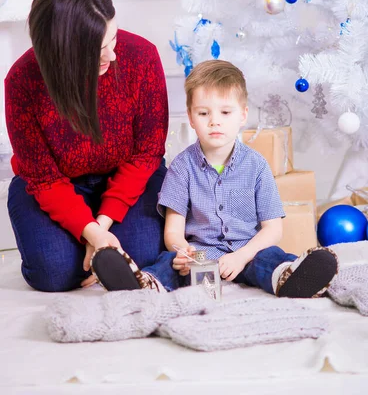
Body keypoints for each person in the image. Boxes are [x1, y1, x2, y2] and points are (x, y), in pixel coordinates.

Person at [91, 59, 338, 298]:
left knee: (270, 255)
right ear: (190, 117)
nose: (214, 121)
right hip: (201, 257)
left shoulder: (257, 165)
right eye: (203, 113)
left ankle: (288, 277)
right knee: (169, 262)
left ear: (243, 115)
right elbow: (173, 233)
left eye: (225, 112)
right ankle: (147, 284)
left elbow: (272, 229)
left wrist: (241, 256)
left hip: (247, 252)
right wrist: (184, 252)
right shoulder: (181, 167)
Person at [5, 0, 169, 293]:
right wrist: (92, 235)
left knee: (145, 255)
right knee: (53, 274)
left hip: (128, 176)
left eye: (114, 40)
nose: (113, 56)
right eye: (99, 49)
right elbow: (43, 177)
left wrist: (103, 227)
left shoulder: (142, 57)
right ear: (62, 54)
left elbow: (147, 152)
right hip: (55, 184)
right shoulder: (22, 82)